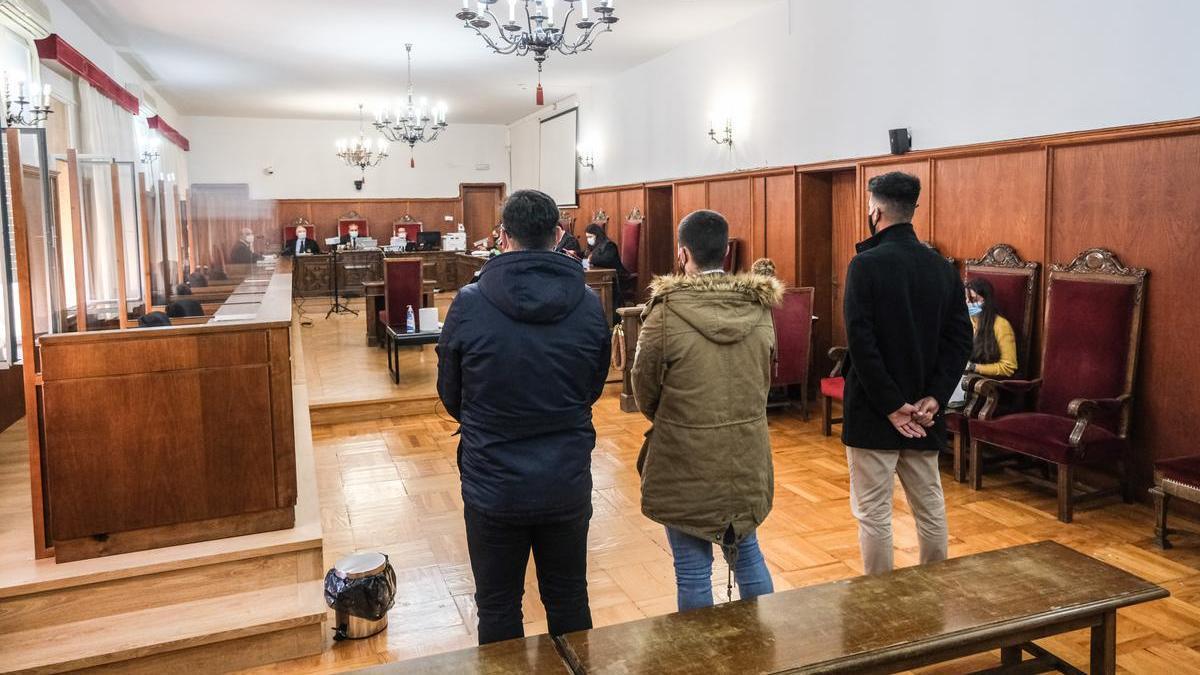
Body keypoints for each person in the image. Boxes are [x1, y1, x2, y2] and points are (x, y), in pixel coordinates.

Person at [436, 189, 610, 645]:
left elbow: (450, 394)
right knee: (570, 598)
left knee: (497, 605)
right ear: (558, 234)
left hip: (493, 480)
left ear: (502, 237)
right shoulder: (588, 302)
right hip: (565, 476)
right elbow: (593, 385)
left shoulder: (470, 303)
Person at [631, 209, 782, 612]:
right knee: (748, 555)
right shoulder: (760, 308)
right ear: (727, 253)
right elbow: (765, 379)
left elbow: (644, 391)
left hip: (685, 456)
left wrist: (678, 416)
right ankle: (768, 651)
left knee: (692, 570)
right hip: (745, 454)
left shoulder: (664, 313)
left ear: (682, 255)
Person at [841, 171, 973, 575]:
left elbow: (862, 346)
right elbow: (960, 341)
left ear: (875, 211)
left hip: (876, 411)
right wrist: (934, 396)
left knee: (874, 514)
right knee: (930, 508)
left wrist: (891, 406)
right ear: (913, 210)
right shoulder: (943, 269)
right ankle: (934, 590)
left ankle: (880, 598)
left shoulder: (865, 265)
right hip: (924, 412)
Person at [584, 223, 632, 321]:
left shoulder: (609, 245)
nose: (589, 240)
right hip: (603, 278)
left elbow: (606, 259)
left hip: (616, 280)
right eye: (587, 237)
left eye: (590, 237)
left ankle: (608, 320)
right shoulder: (596, 246)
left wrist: (591, 258)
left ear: (597, 235)